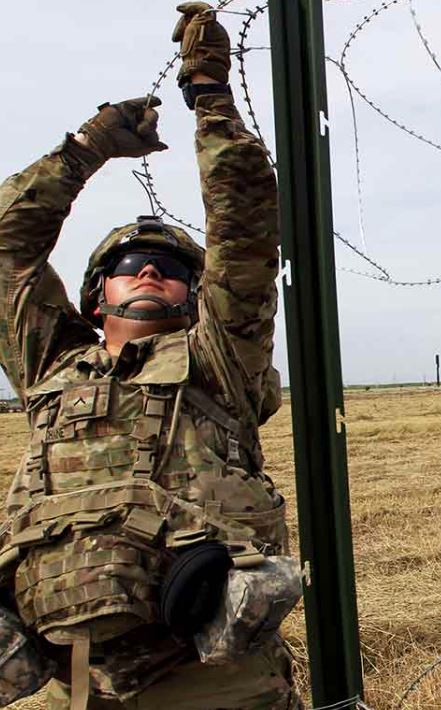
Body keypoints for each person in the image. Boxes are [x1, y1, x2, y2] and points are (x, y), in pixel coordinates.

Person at [0, 5, 300, 708]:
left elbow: (245, 223)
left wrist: (211, 97)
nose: (148, 272)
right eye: (130, 263)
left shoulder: (217, 359)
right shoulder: (51, 366)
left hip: (201, 675)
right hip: (61, 675)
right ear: (95, 294)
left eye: (170, 269)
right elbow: (7, 248)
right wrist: (84, 150)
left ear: (198, 296)